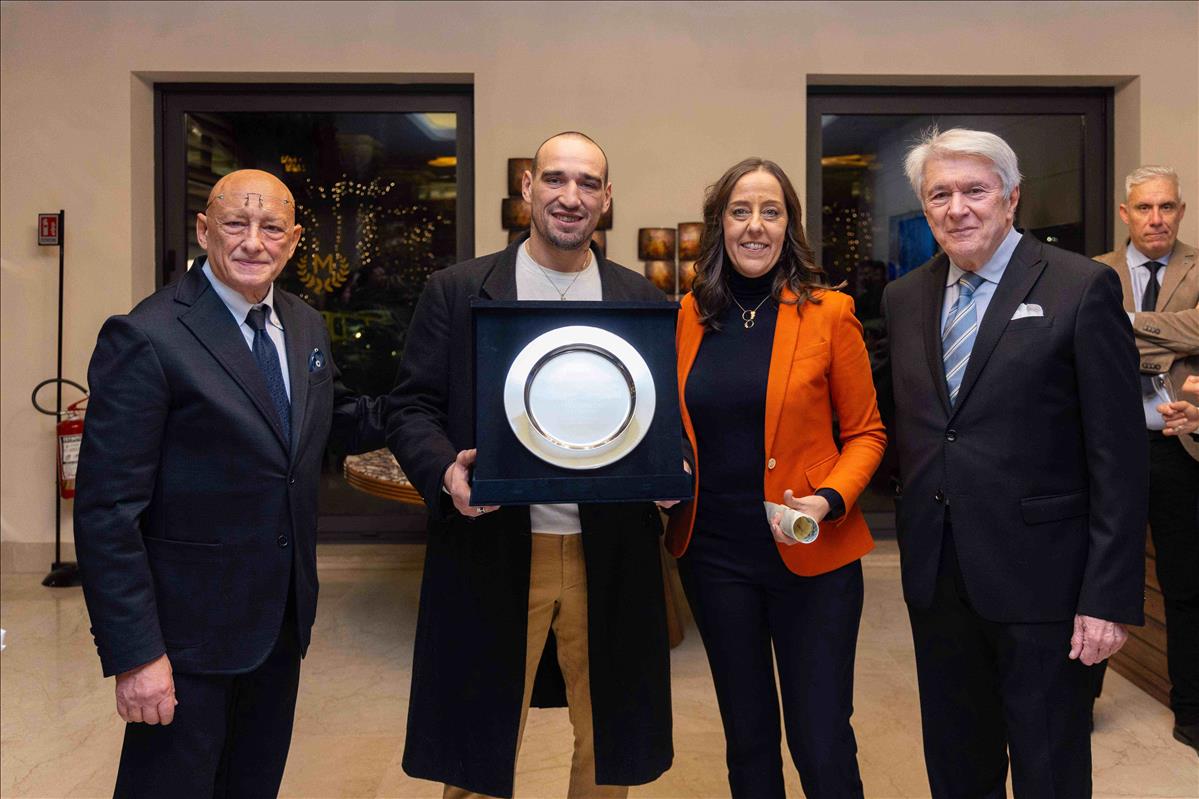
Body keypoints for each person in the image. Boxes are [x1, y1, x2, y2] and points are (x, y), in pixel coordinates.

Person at [74, 169, 387, 798]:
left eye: (271, 227)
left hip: (279, 626)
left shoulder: (303, 324)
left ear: (293, 240)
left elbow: (333, 418)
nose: (252, 241)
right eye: (235, 223)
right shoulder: (148, 335)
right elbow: (108, 511)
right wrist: (137, 655)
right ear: (203, 229)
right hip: (185, 639)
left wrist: (442, 407)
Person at [388, 131, 673, 798]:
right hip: (491, 545)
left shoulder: (640, 299)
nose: (570, 196)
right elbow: (410, 407)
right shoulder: (458, 290)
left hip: (611, 550)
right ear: (527, 187)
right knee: (477, 741)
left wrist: (673, 467)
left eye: (587, 183)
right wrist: (446, 471)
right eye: (555, 179)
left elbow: (667, 415)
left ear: (607, 198)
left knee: (607, 742)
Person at [876, 128, 1147, 796]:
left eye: (975, 190)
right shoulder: (903, 298)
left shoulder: (1081, 286)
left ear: (1011, 197)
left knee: (1048, 767)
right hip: (938, 579)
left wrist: (1107, 597)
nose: (957, 208)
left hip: (1045, 583)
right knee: (956, 768)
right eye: (939, 194)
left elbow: (1118, 456)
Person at [664, 158, 886, 797]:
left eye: (771, 211)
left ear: (790, 225)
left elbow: (867, 433)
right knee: (748, 738)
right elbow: (669, 423)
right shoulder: (684, 316)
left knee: (821, 739)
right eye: (740, 212)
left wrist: (829, 500)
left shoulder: (830, 313)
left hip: (813, 555)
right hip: (712, 556)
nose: (755, 226)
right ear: (720, 225)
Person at [1094, 169, 1199, 753]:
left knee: (1187, 587)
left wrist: (1127, 324)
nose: (1155, 219)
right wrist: (1179, 336)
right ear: (1124, 212)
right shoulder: (1094, 273)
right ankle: (1079, 701)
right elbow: (1086, 341)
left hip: (1180, 451)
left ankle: (1192, 711)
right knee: (1096, 579)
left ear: (1180, 210)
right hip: (1108, 453)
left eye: (1166, 207)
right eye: (1143, 208)